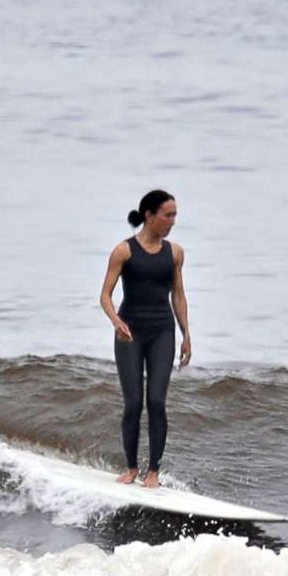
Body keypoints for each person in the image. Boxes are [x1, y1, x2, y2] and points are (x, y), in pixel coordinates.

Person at [97, 189, 192, 486]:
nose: (173, 221)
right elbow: (105, 295)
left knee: (157, 402)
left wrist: (186, 333)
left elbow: (178, 293)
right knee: (134, 403)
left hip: (163, 331)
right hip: (130, 334)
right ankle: (131, 469)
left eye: (175, 215)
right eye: (168, 215)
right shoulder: (124, 251)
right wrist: (116, 321)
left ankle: (153, 473)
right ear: (149, 216)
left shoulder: (175, 252)